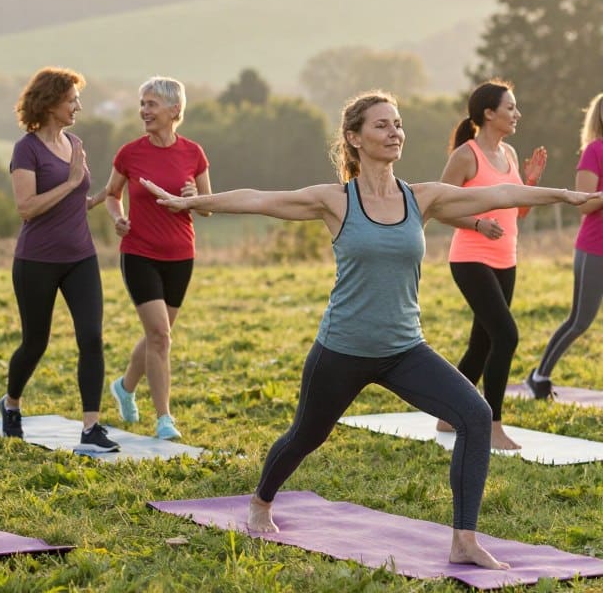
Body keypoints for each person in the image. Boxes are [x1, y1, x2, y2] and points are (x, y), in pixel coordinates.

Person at [142, 90, 599, 570]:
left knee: (475, 415)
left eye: (397, 124)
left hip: (404, 349)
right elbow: (260, 199)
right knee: (305, 435)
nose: (394, 132)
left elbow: (503, 194)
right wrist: (186, 202)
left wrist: (566, 196)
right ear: (354, 139)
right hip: (342, 349)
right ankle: (261, 500)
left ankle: (464, 538)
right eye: (381, 125)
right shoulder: (334, 201)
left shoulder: (421, 197)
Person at [0, 67, 119, 452]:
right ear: (50, 103)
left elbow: (71, 201)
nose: (78, 107)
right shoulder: (27, 149)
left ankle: (91, 426)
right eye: (71, 100)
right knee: (35, 342)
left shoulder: (75, 142)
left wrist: (93, 199)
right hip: (37, 260)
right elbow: (27, 208)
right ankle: (12, 404)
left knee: (92, 337)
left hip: (80, 256)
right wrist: (69, 183)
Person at [434, 80, 546, 450]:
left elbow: (519, 212)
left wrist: (529, 182)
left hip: (506, 258)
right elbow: (440, 207)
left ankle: (449, 412)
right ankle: (492, 425)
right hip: (470, 257)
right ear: (488, 113)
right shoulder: (466, 156)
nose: (517, 114)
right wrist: (478, 223)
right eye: (510, 107)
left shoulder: (510, 154)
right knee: (506, 336)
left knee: (482, 342)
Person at [104, 76, 211, 441]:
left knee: (157, 335)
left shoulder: (193, 153)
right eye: (143, 104)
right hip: (139, 252)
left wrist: (193, 194)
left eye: (151, 104)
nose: (143, 111)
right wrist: (118, 218)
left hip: (181, 255)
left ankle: (124, 386)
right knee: (161, 336)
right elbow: (111, 194)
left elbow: (208, 206)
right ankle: (165, 419)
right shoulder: (130, 153)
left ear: (174, 110)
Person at [526, 92, 603, 398]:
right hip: (594, 249)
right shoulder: (593, 152)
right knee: (580, 320)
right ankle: (539, 377)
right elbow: (583, 204)